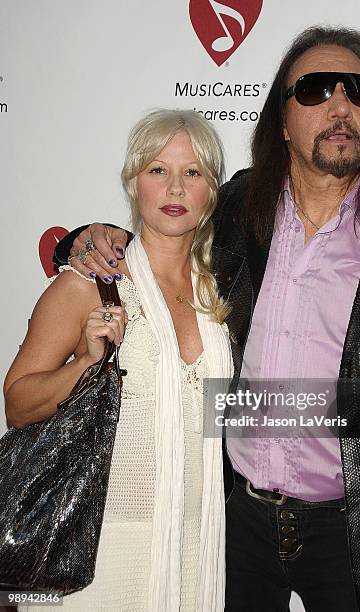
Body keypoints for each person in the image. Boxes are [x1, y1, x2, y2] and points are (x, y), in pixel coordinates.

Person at [54, 26, 360, 612]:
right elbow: (162, 231)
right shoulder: (239, 209)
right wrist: (86, 238)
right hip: (230, 517)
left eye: (359, 92)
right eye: (317, 90)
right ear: (282, 120)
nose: (340, 106)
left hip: (358, 534)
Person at [4, 109, 233, 611]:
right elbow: (18, 405)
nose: (175, 188)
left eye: (191, 173)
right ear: (134, 183)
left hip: (198, 548)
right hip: (97, 554)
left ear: (211, 189)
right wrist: (87, 363)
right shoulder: (88, 286)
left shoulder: (222, 296)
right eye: (158, 170)